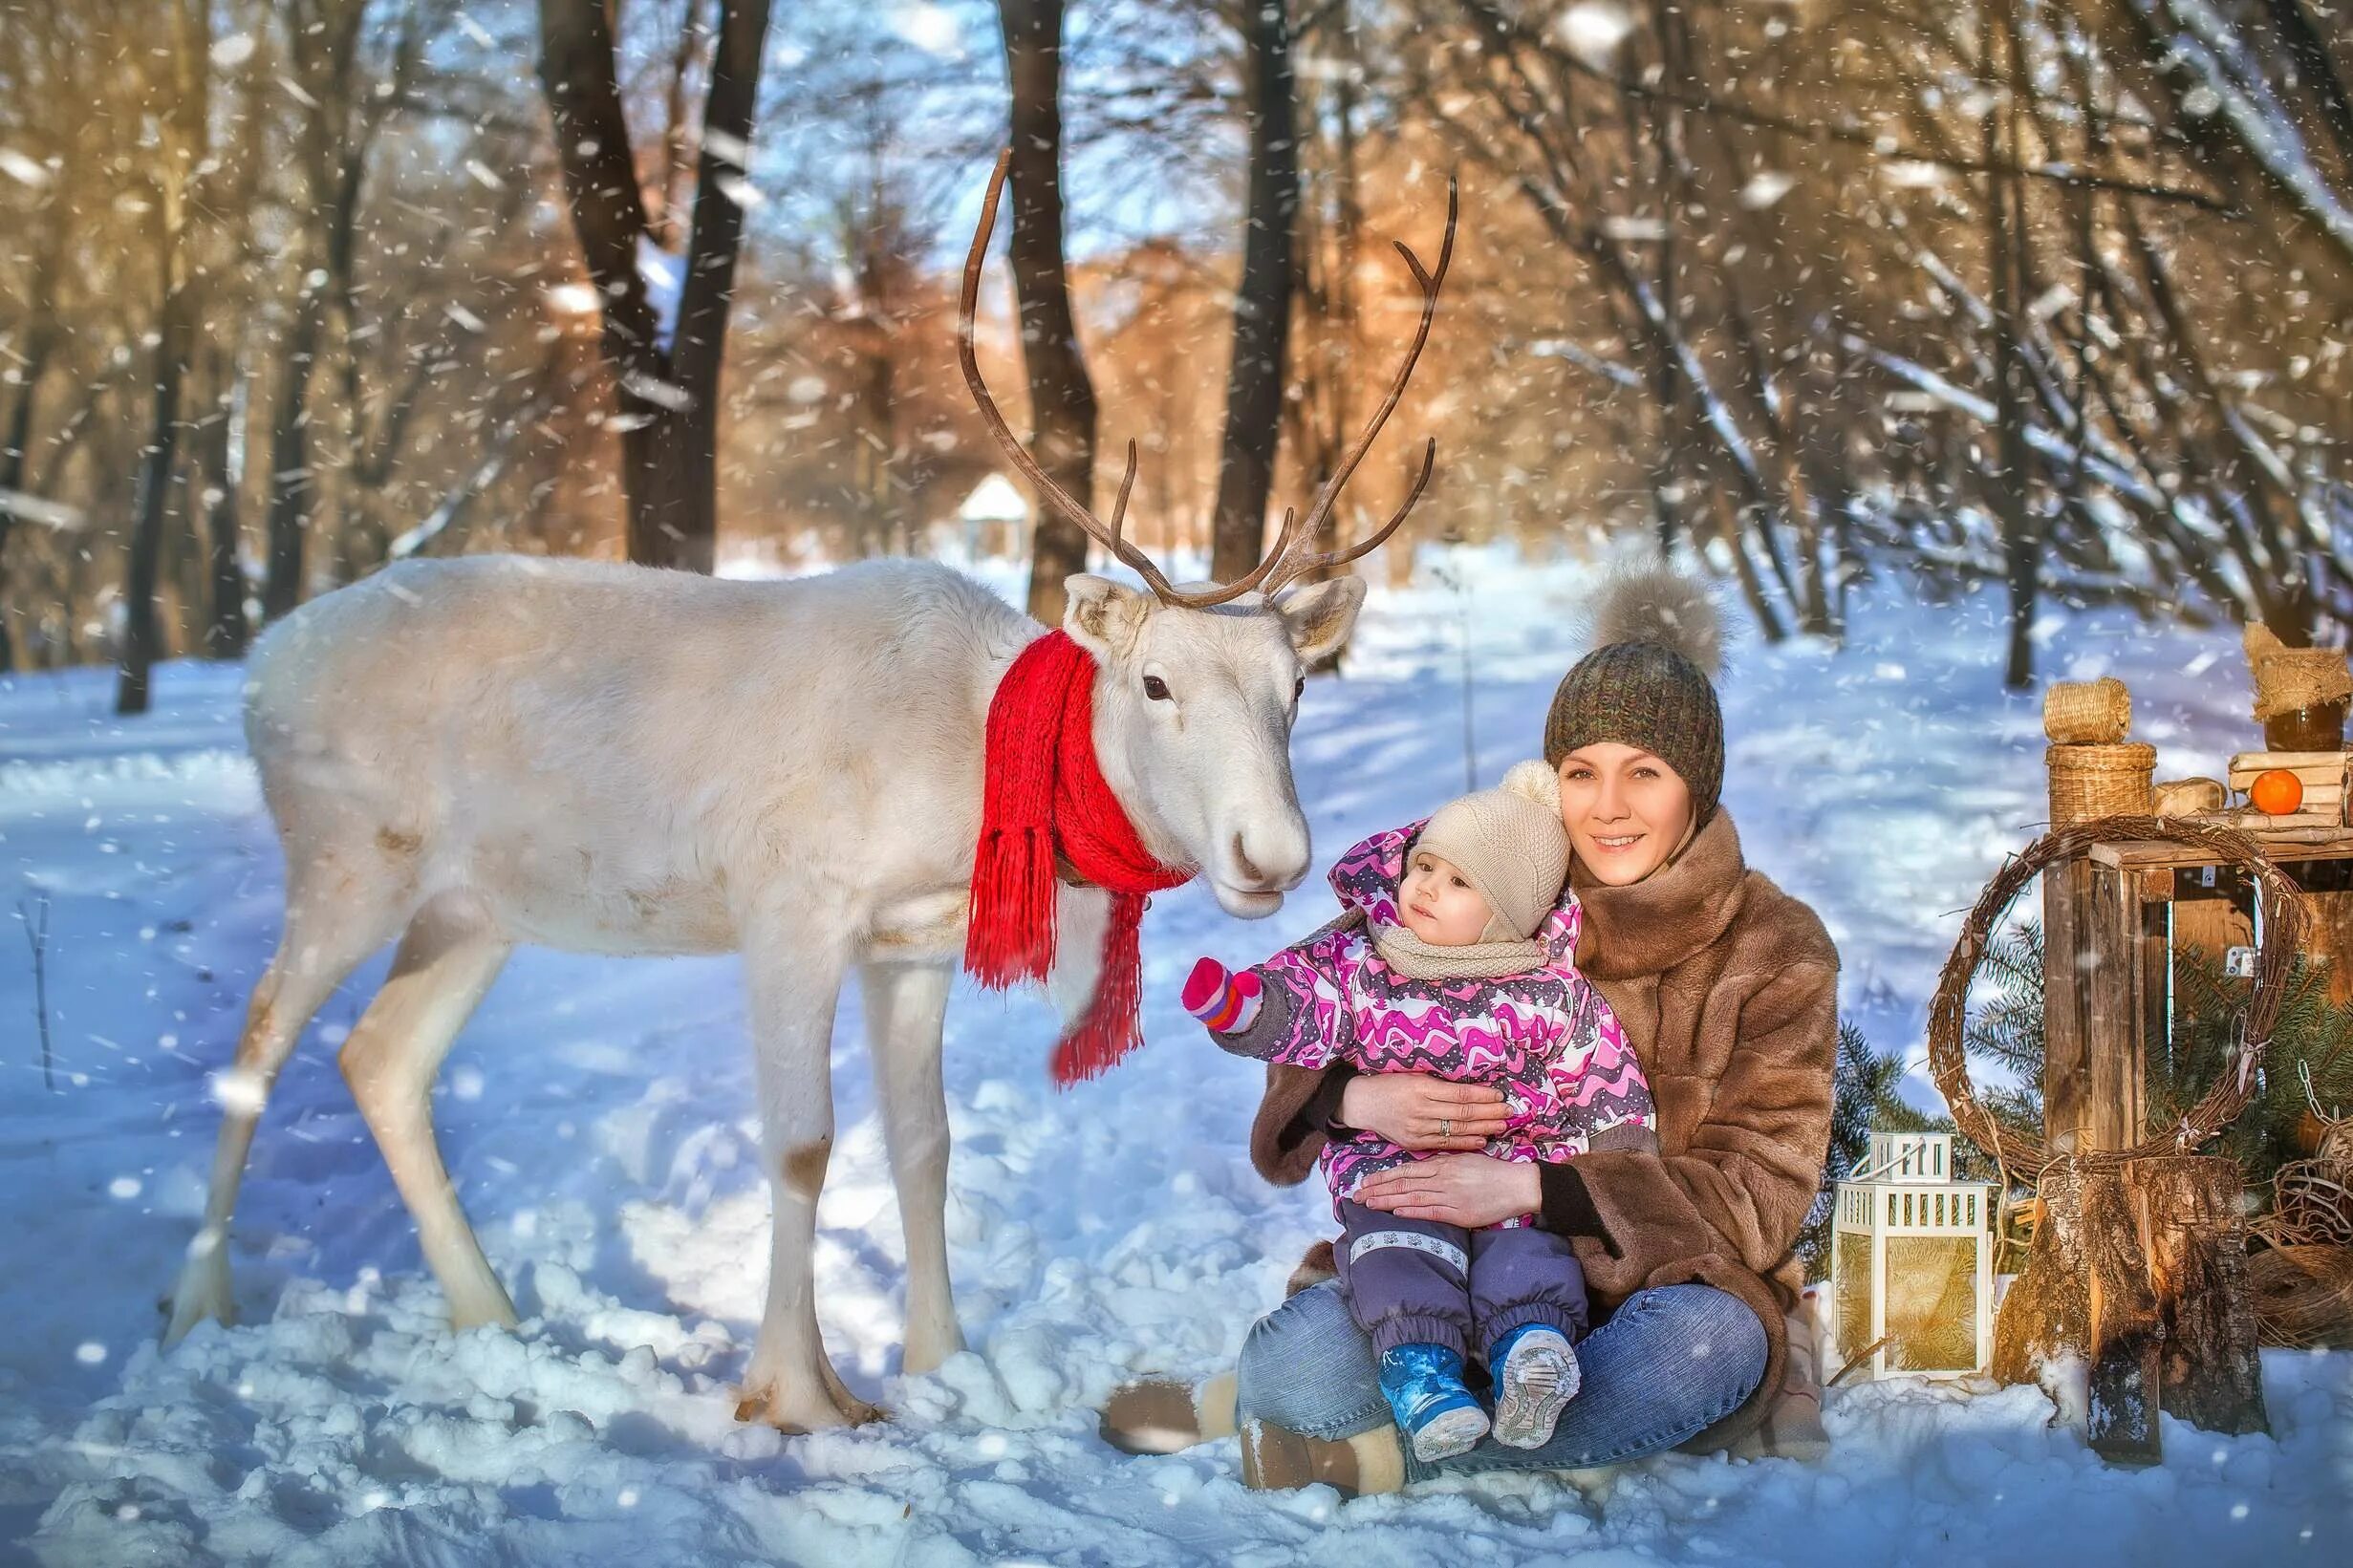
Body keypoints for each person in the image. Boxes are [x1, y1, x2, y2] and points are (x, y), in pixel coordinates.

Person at [1100, 568, 1840, 1493]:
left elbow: (1759, 1191)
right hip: (1442, 1272)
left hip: (1653, 1290)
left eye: (1642, 774)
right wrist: (1352, 1094)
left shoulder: (1772, 945)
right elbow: (1328, 992)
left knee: (1699, 1353)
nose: (1606, 807)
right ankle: (1377, 1402)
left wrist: (1534, 1188)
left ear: (1695, 784)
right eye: (1581, 774)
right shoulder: (1503, 877)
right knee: (1305, 1363)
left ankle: (1369, 1452)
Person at [1180, 768, 1656, 1460]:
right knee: (1394, 1260)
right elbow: (1307, 1004)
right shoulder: (1367, 960)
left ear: (1508, 911)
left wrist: (1616, 1150)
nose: (1426, 886)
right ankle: (1424, 1379)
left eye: (1459, 881)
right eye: (1424, 865)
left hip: (1509, 1185)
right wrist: (1247, 1008)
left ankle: (1532, 1357)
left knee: (1528, 1257)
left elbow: (1600, 1072)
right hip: (1392, 1181)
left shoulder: (1549, 990)